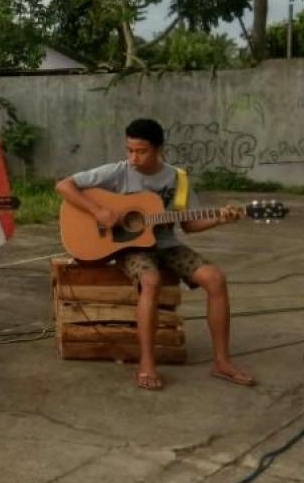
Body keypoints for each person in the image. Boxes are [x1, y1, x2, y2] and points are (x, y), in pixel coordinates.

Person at [55, 117, 254, 392]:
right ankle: (147, 362)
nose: (133, 157)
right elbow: (64, 186)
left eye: (141, 151)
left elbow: (189, 224)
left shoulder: (178, 179)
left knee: (215, 278)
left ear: (159, 149)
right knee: (151, 281)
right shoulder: (118, 172)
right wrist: (98, 211)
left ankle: (222, 362)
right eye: (130, 150)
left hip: (166, 243)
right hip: (130, 248)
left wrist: (221, 218)